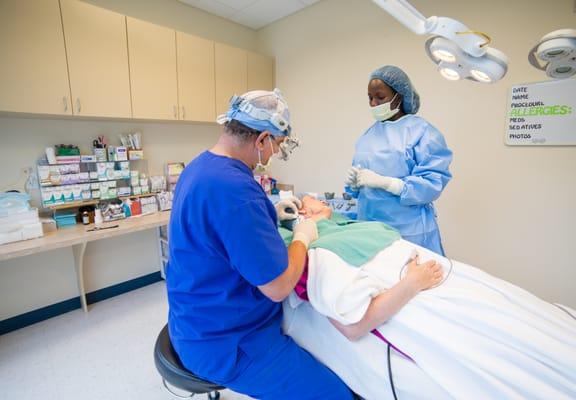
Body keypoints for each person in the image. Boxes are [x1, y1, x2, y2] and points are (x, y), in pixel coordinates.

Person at [280, 196, 576, 399]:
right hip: (416, 298)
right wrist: (412, 283)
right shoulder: (317, 251)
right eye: (303, 203)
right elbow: (353, 326)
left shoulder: (343, 224)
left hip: (456, 285)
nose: (308, 200)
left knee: (519, 321)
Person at [166, 89, 356, 400]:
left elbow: (222, 233)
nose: (271, 157)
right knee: (335, 395)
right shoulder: (236, 191)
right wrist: (303, 236)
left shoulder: (200, 167)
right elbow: (279, 286)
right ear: (262, 139)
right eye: (275, 148)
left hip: (194, 320)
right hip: (229, 341)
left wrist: (271, 216)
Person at [345, 65, 453, 255]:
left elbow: (432, 182)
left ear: (399, 96)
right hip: (369, 229)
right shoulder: (368, 135)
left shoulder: (422, 132)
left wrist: (388, 183)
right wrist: (354, 185)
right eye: (370, 97)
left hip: (409, 233)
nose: (373, 103)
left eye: (380, 97)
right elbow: (362, 184)